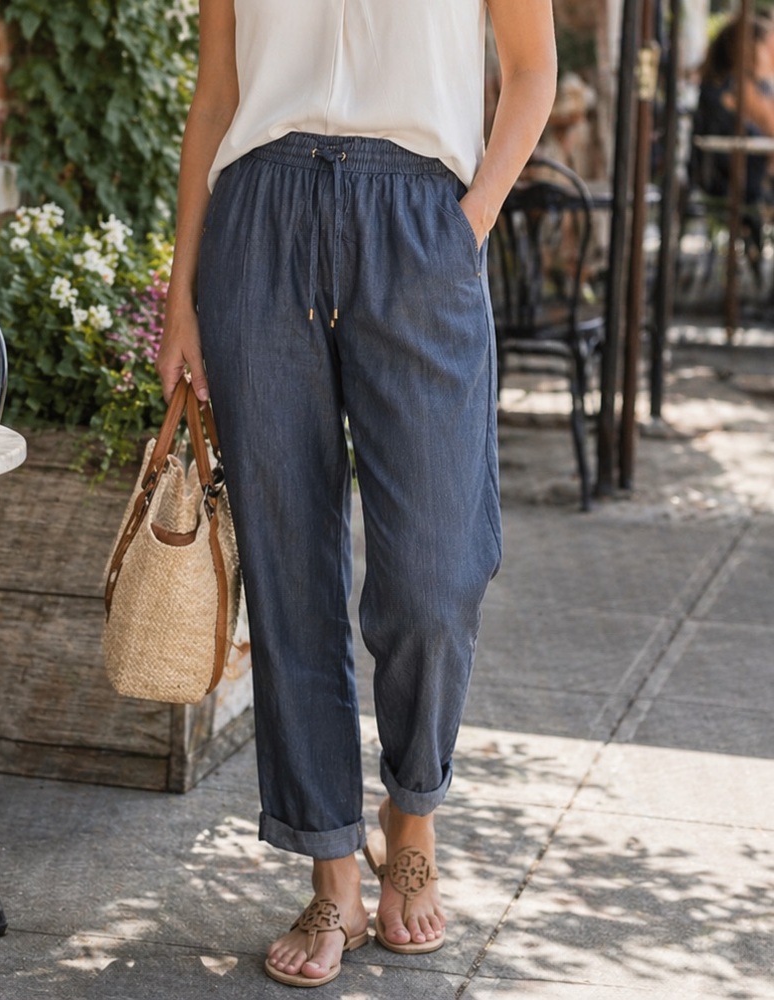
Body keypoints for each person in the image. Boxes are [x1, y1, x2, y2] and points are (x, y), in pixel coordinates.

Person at [157, 1, 557, 988]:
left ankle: (409, 813)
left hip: (416, 223)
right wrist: (180, 294)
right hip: (258, 220)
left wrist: (463, 226)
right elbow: (216, 94)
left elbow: (531, 72)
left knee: (436, 572)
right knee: (290, 563)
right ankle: (330, 864)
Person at [692, 15, 774, 205]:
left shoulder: (738, 85)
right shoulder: (737, 88)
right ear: (752, 49)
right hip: (734, 191)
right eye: (770, 47)